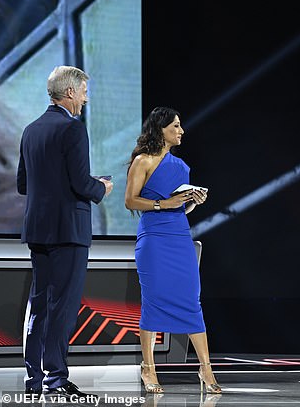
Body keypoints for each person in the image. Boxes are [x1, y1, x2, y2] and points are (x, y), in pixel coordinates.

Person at [16, 65, 114, 396]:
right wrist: (102, 188)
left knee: (40, 304)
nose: (86, 99)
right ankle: (55, 378)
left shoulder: (30, 130)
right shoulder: (73, 130)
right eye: (84, 92)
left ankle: (34, 379)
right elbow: (81, 183)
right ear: (70, 92)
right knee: (63, 307)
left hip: (38, 230)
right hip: (68, 231)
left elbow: (22, 185)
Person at [124, 107, 221, 394]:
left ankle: (205, 368)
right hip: (154, 239)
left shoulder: (181, 167)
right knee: (153, 300)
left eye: (180, 126)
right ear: (161, 129)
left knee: (192, 299)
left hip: (180, 237)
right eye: (176, 126)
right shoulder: (142, 161)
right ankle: (148, 368)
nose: (181, 131)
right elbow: (130, 201)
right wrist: (161, 204)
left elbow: (180, 206)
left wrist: (193, 201)